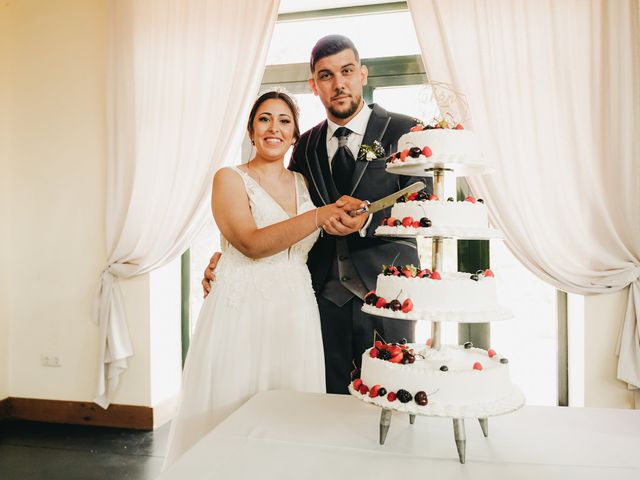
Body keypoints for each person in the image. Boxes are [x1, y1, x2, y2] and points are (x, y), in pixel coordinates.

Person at [203, 35, 431, 395]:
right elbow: (273, 209)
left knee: (391, 398)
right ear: (314, 86)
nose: (338, 83)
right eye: (326, 76)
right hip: (319, 299)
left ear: (363, 75)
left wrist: (369, 222)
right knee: (321, 405)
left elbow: (426, 202)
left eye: (347, 71)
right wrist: (225, 257)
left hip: (387, 291)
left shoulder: (405, 130)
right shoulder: (304, 144)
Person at [164, 90, 364, 468]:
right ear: (251, 130)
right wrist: (321, 215)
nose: (275, 128)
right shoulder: (229, 178)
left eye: (284, 121)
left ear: (294, 136)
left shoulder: (306, 184)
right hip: (241, 311)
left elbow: (315, 241)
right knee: (233, 408)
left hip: (295, 311)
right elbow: (251, 243)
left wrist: (350, 218)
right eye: (265, 119)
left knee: (290, 416)